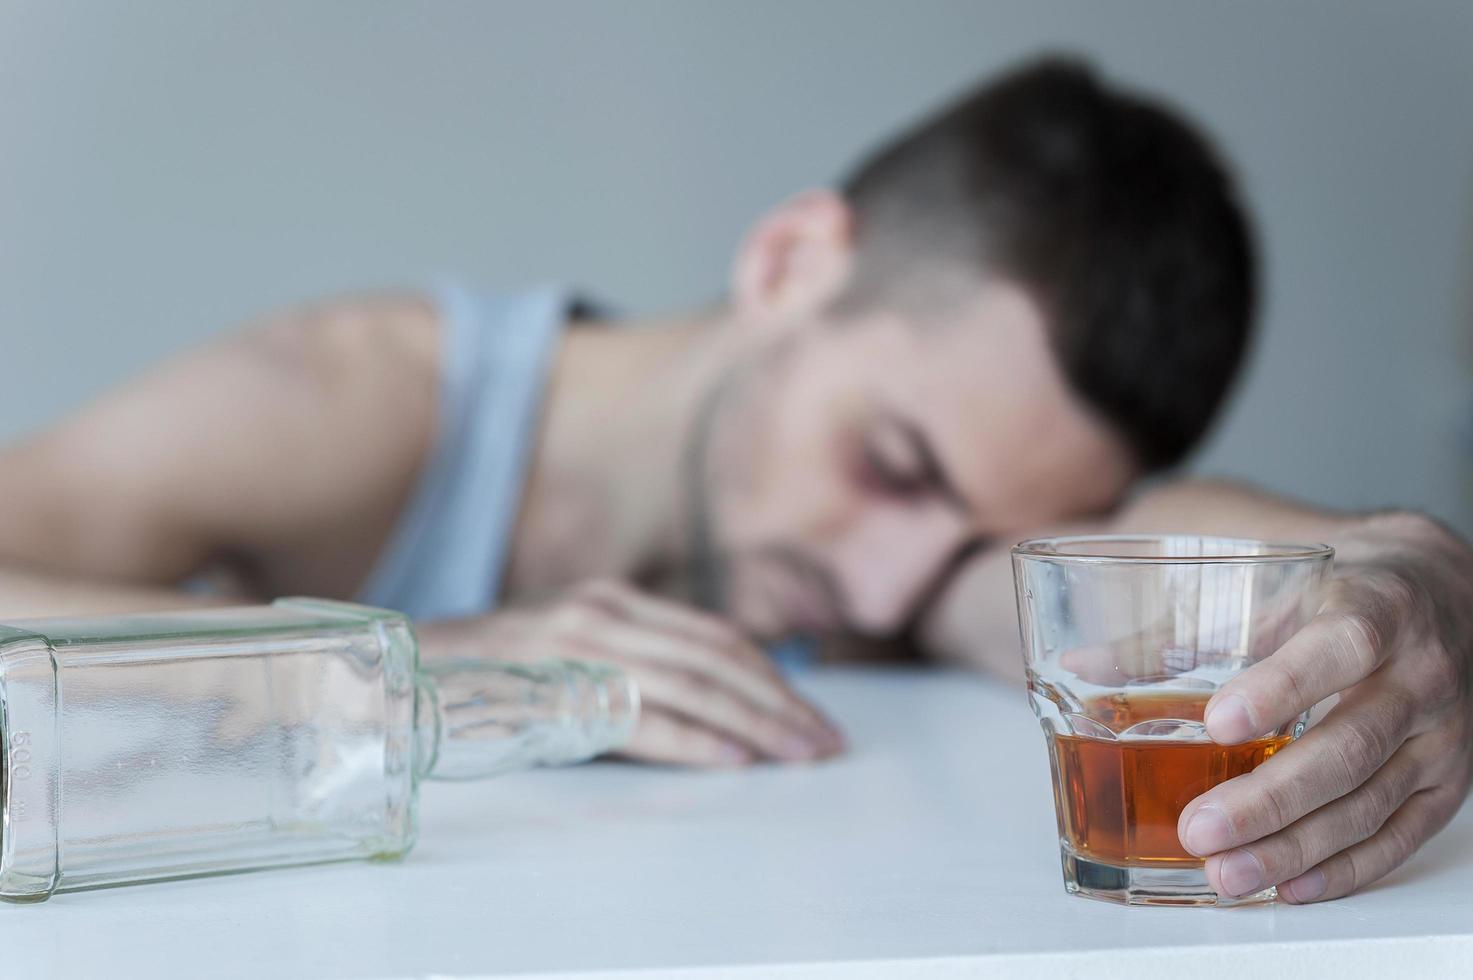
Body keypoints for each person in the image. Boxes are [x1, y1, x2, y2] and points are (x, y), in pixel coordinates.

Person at [1, 57, 1469, 906]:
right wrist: (408, 664)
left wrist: (1413, 569)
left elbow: (1152, 554)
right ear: (786, 264)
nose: (894, 585)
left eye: (991, 532)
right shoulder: (342, 398)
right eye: (893, 464)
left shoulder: (903, 555)